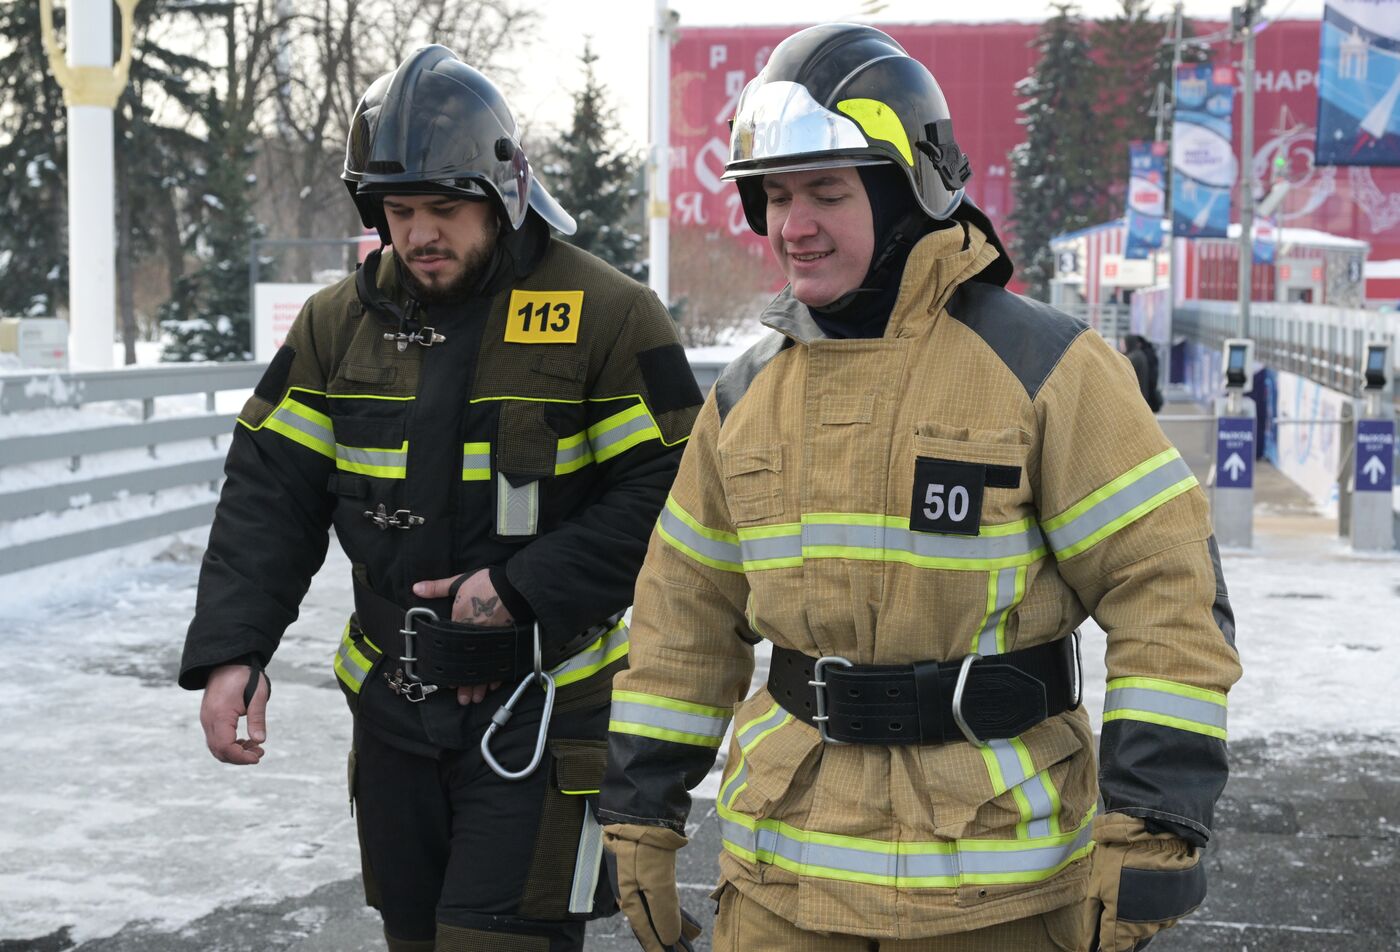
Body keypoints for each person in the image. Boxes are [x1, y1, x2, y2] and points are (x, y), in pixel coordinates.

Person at [597, 23, 1240, 952]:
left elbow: (1169, 594)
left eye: (827, 190)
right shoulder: (744, 399)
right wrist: (641, 817)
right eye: (774, 195)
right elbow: (681, 621)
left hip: (1002, 896)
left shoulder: (1047, 370)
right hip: (782, 890)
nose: (793, 224)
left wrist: (1152, 826)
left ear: (908, 194)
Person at [178, 45, 702, 952]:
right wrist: (235, 649)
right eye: (399, 209)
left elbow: (682, 491)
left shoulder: (610, 313)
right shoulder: (334, 324)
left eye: (445, 208)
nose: (421, 233)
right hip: (390, 711)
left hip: (542, 710)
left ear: (504, 193)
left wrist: (524, 586)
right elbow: (270, 493)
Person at [1123, 334, 1164, 412]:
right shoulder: (1140, 354)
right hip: (1142, 395)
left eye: (1124, 343)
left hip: (1137, 396)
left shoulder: (1135, 357)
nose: (1122, 346)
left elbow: (1122, 368)